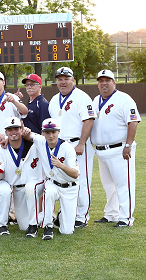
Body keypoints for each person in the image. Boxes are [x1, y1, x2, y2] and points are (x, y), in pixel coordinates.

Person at [91, 69, 140, 227]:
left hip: (120, 149)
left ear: (114, 82)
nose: (104, 83)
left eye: (107, 80)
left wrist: (128, 145)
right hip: (101, 150)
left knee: (123, 184)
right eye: (101, 81)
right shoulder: (96, 100)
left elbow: (133, 122)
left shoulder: (124, 99)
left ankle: (126, 218)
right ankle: (111, 214)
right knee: (108, 185)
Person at [48, 67, 95, 228]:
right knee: (62, 179)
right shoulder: (54, 99)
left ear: (72, 80)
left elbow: (88, 120)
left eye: (66, 78)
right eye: (60, 79)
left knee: (81, 180)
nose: (62, 82)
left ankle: (82, 216)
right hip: (60, 145)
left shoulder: (82, 97)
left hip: (77, 143)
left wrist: (82, 143)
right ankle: (67, 213)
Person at [28, 118, 79, 240]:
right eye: (47, 132)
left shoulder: (68, 148)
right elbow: (26, 135)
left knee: (67, 231)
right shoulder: (41, 141)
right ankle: (48, 226)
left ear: (58, 131)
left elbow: (76, 174)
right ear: (43, 133)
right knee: (49, 191)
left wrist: (60, 165)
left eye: (53, 132)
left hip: (69, 186)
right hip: (54, 183)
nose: (51, 135)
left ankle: (61, 215)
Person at [0, 117, 40, 235]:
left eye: (16, 129)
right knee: (24, 227)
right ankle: (38, 219)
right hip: (18, 189)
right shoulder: (1, 149)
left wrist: (31, 134)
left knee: (31, 188)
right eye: (10, 129)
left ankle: (45, 218)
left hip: (35, 186)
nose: (13, 132)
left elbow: (45, 139)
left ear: (21, 129)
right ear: (6, 132)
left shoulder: (33, 144)